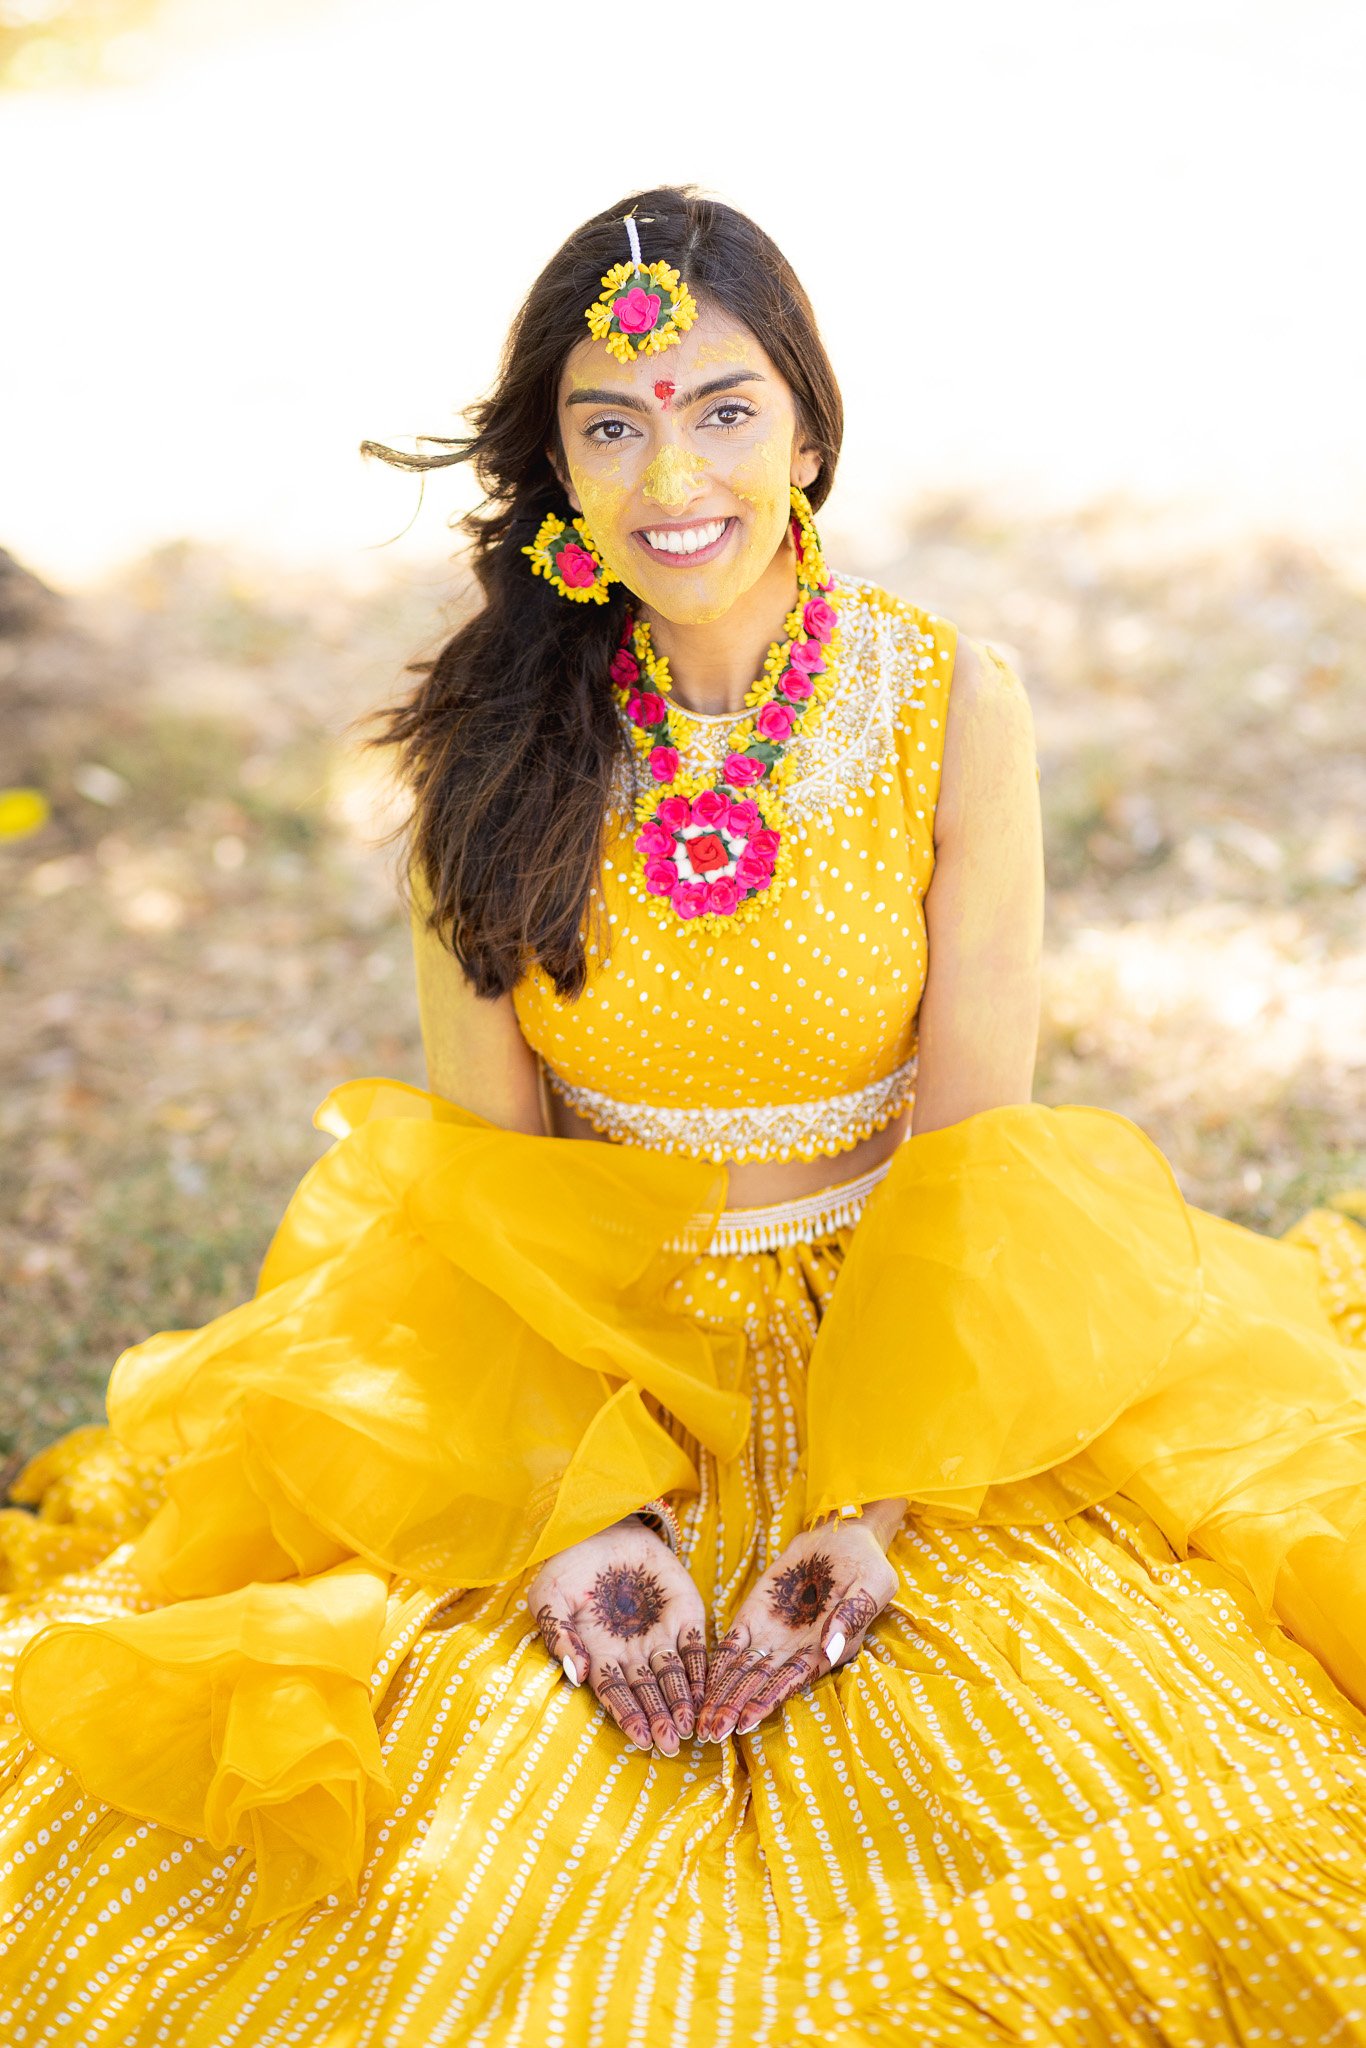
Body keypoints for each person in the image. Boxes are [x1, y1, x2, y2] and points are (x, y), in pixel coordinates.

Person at [2, 186, 1366, 2047]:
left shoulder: (954, 703)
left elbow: (979, 1148)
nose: (673, 476)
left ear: (807, 424)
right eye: (610, 424)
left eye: (722, 408)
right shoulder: (488, 742)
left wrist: (871, 1505)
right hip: (578, 1336)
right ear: (554, 463)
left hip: (913, 1317)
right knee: (459, 1855)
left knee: (1118, 1755)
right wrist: (570, 1512)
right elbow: (485, 1185)